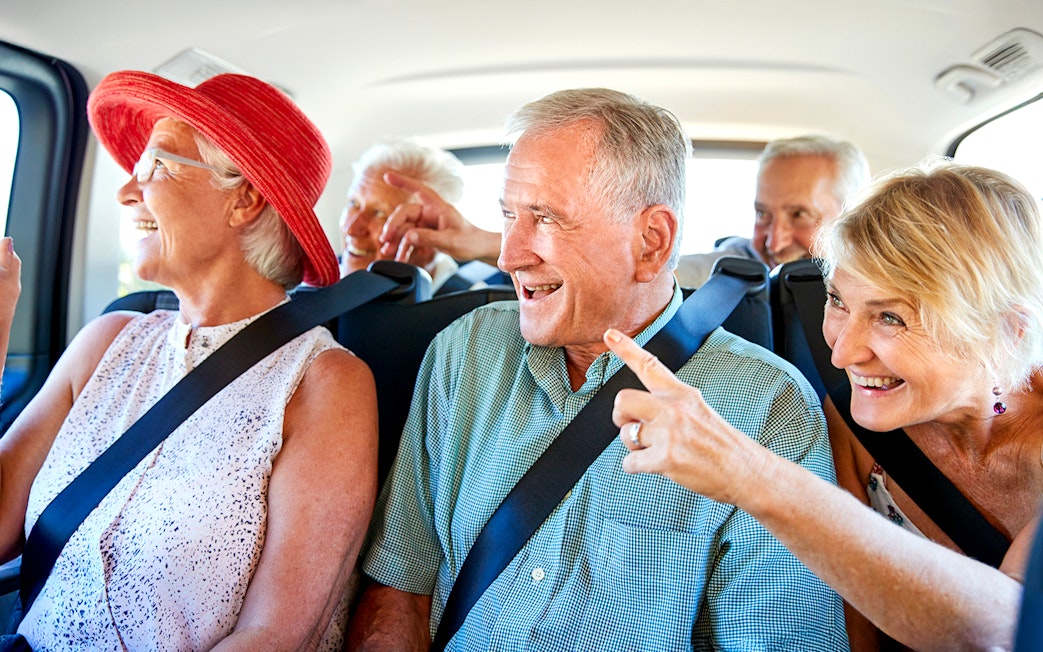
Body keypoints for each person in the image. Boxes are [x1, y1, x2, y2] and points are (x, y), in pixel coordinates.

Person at [349, 88, 847, 650]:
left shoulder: (769, 408)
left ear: (651, 243)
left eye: (545, 218)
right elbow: (401, 585)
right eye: (509, 215)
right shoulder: (464, 353)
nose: (509, 255)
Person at [0, 71, 378, 649]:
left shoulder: (323, 383)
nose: (129, 192)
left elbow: (273, 636)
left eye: (156, 166)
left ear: (245, 198)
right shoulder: (106, 340)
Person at [605, 161, 1043, 651]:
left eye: (891, 317)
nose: (841, 353)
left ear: (1007, 332)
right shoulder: (853, 426)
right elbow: (852, 623)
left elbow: (1012, 629)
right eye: (837, 301)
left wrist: (748, 473)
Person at [378, 133, 869, 291]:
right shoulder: (719, 275)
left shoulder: (887, 297)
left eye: (800, 215)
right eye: (762, 213)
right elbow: (617, 270)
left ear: (850, 214)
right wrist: (482, 242)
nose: (775, 236)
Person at [673, 134, 870, 287]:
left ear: (852, 219)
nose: (774, 244)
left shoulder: (879, 283)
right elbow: (677, 276)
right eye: (763, 214)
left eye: (799, 214)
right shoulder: (738, 265)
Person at [340, 139, 504, 293]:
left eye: (380, 214)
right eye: (353, 204)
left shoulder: (473, 310)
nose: (351, 229)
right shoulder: (321, 285)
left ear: (429, 240)